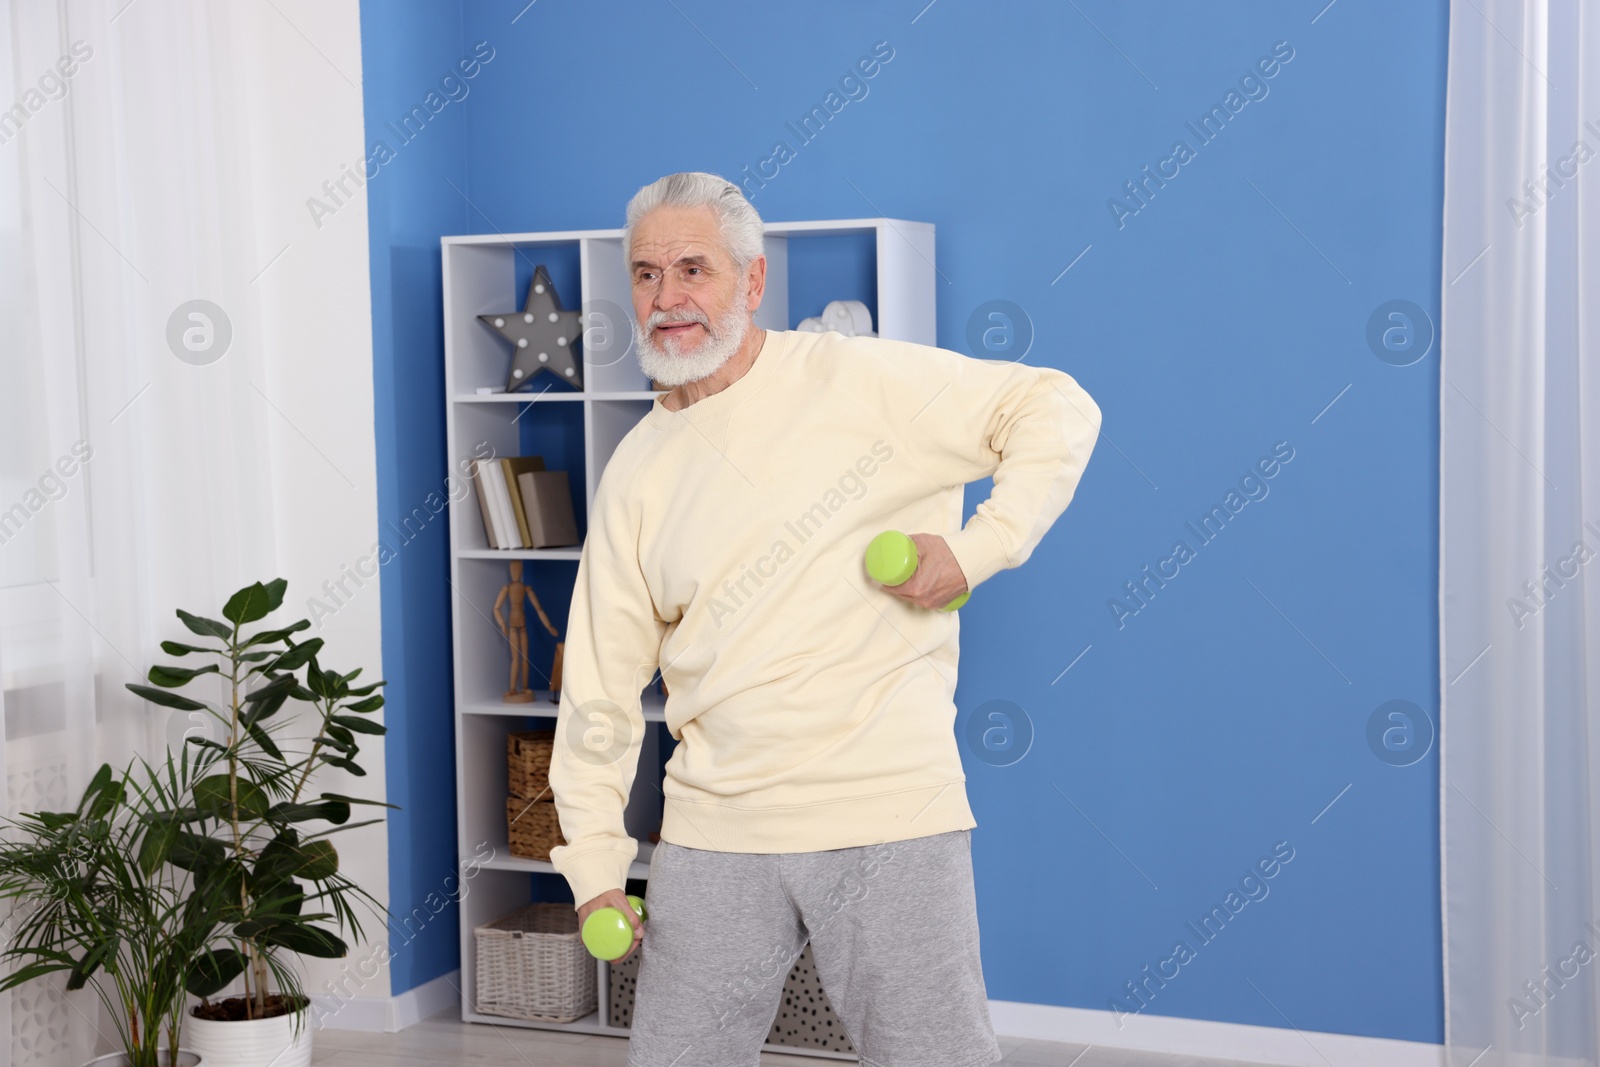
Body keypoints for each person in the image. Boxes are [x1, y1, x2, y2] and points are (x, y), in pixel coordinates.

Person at [547, 171, 1102, 1066]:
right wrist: (597, 872)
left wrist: (979, 548)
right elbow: (600, 693)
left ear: (753, 281)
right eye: (647, 274)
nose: (668, 297)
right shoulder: (638, 468)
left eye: (695, 269)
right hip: (714, 827)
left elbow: (1052, 404)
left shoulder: (861, 379)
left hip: (887, 811)